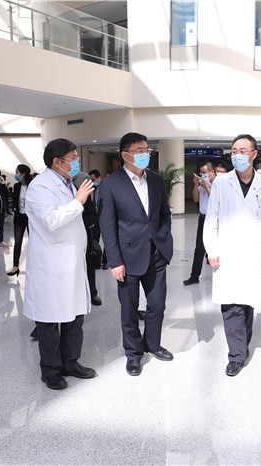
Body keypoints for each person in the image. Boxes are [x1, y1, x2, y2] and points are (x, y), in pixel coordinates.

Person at [203, 134, 261, 377]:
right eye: (234, 151)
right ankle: (236, 355)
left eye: (242, 151)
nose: (237, 155)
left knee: (247, 302)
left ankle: (242, 345)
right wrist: (212, 250)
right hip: (226, 252)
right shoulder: (221, 183)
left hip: (253, 252)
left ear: (254, 154)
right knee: (231, 304)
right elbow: (211, 219)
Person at [24, 138, 97, 390]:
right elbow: (52, 220)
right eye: (73, 158)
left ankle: (70, 362)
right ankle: (50, 370)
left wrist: (77, 200)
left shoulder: (66, 183)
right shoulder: (40, 186)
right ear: (57, 161)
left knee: (74, 316)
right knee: (49, 321)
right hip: (52, 265)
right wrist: (78, 201)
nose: (77, 163)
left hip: (72, 263)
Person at [98, 132, 174, 376]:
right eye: (139, 150)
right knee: (129, 310)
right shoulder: (110, 184)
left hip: (156, 253)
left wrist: (164, 237)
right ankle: (133, 353)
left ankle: (152, 344)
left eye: (146, 150)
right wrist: (115, 261)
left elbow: (164, 213)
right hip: (127, 257)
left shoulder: (156, 180)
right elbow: (107, 226)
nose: (145, 154)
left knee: (157, 305)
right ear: (125, 155)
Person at [72, 170, 102, 306]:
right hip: (66, 241)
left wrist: (79, 222)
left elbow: (93, 215)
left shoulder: (84, 197)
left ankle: (93, 293)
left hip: (84, 236)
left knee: (89, 265)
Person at [184, 161, 216, 286]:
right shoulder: (201, 184)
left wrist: (207, 187)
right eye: (201, 173)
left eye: (205, 172)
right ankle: (194, 276)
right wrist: (196, 185)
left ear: (211, 172)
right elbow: (196, 199)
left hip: (215, 219)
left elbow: (214, 200)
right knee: (199, 248)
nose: (203, 175)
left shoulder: (218, 184)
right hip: (203, 218)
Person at [8, 164, 32, 277]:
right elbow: (14, 198)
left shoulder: (32, 185)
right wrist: (14, 207)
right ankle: (15, 266)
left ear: (23, 173)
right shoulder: (17, 186)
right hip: (19, 217)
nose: (16, 174)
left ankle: (34, 265)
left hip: (30, 218)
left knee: (33, 242)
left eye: (17, 172)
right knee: (18, 242)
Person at [88, 169, 107, 270]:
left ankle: (105, 262)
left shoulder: (105, 188)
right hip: (94, 218)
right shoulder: (90, 188)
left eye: (93, 179)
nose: (92, 181)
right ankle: (96, 261)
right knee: (94, 240)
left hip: (104, 217)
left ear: (99, 178)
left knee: (107, 240)